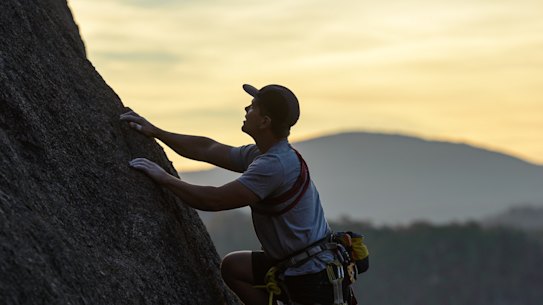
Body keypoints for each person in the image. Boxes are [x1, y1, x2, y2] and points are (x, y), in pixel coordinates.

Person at [120, 84, 353, 305]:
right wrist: (156, 132)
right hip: (299, 262)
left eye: (252, 106)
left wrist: (163, 178)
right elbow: (207, 149)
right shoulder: (263, 154)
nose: (246, 109)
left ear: (264, 121)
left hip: (312, 276)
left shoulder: (274, 165)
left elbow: (214, 200)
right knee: (233, 267)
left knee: (238, 268)